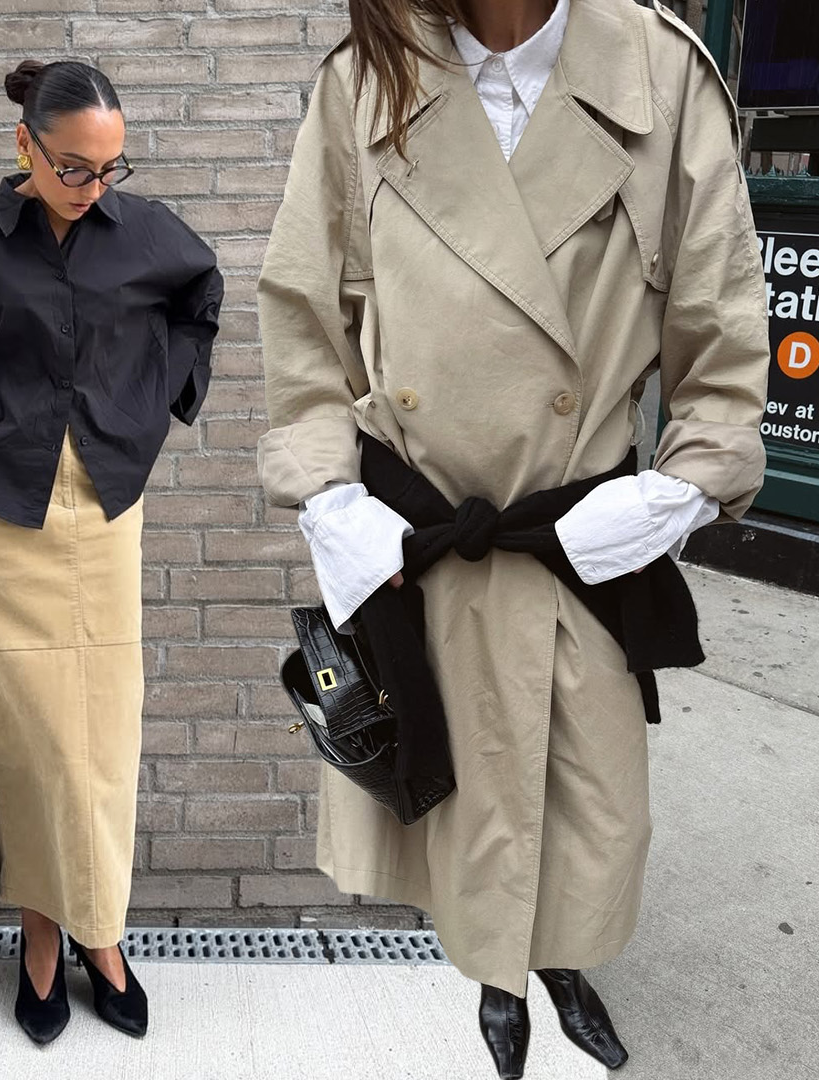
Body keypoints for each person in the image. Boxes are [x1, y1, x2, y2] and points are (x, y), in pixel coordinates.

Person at [259, 0, 768, 1075]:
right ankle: (498, 986)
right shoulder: (366, 78)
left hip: (572, 539)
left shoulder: (660, 75)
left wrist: (672, 496)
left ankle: (560, 965)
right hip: (420, 542)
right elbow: (301, 318)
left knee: (576, 812)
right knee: (458, 804)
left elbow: (722, 338)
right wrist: (328, 496)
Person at [0, 59, 223, 1046]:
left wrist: (149, 403)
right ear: (23, 145)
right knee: (29, 745)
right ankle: (42, 936)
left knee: (103, 743)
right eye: (75, 168)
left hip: (105, 517)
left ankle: (103, 936)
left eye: (110, 170)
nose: (93, 188)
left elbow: (202, 295)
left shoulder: (145, 234)